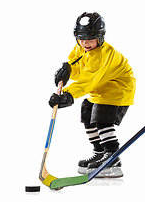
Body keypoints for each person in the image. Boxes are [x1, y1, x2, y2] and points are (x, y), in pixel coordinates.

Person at [49, 12, 136, 178]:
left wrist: (67, 95)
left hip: (118, 89)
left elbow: (87, 81)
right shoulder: (81, 48)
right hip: (100, 88)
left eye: (90, 38)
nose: (85, 43)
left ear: (101, 37)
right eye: (80, 38)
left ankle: (112, 157)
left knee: (102, 118)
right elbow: (78, 66)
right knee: (87, 113)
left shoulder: (102, 55)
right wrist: (67, 71)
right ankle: (99, 152)